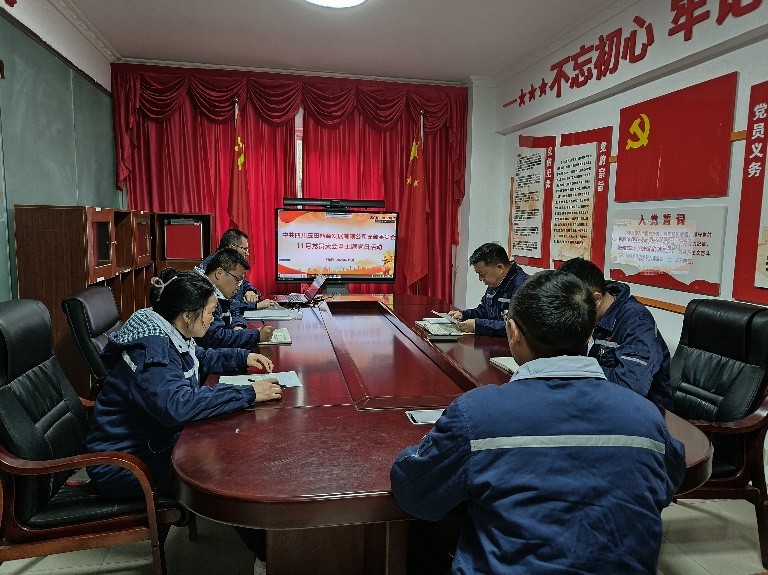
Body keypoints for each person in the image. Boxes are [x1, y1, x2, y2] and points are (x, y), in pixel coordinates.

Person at [391, 270, 686, 574]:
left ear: (513, 333)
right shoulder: (646, 417)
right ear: (588, 333)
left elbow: (415, 495)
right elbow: (668, 484)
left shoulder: (477, 414)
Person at [86, 269, 282, 498]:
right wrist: (247, 393)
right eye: (210, 312)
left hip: (155, 442)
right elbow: (179, 406)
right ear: (188, 315)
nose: (213, 319)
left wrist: (242, 357)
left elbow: (199, 357)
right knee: (230, 468)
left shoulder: (169, 328)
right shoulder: (153, 354)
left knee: (231, 444)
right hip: (126, 464)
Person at [558, 257, 673, 411]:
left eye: (573, 307)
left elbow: (631, 386)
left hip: (644, 412)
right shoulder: (590, 313)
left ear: (596, 299)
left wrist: (577, 370)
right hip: (597, 400)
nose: (570, 314)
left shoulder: (636, 320)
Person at [196, 248, 274, 349]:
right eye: (237, 280)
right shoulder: (202, 295)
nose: (238, 286)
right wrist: (255, 335)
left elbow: (234, 308)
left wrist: (238, 326)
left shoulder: (219, 294)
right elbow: (215, 339)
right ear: (219, 273)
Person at [448, 242, 528, 336]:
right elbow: (485, 310)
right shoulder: (496, 281)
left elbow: (517, 327)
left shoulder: (523, 287)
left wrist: (478, 326)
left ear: (500, 268)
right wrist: (463, 315)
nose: (481, 279)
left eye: (482, 274)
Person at [197, 229, 278, 313]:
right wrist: (254, 306)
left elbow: (242, 281)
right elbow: (225, 303)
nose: (247, 253)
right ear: (231, 247)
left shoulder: (231, 267)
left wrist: (249, 290)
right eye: (244, 249)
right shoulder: (213, 265)